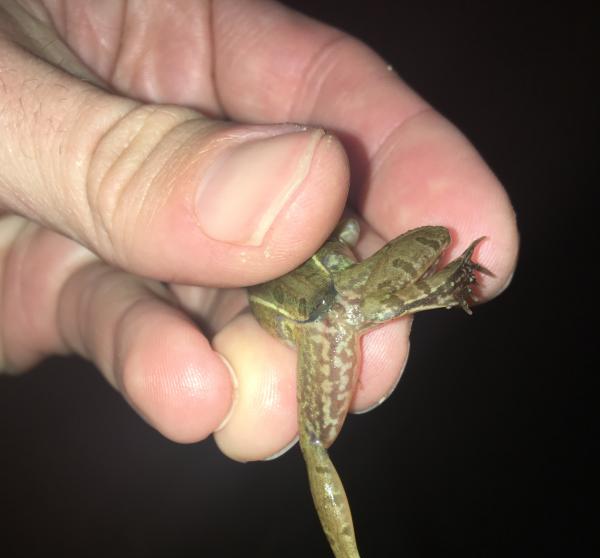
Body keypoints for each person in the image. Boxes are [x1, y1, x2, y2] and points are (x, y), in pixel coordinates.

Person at [0, 0, 518, 463]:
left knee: (312, 437)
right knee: (307, 423)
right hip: (311, 301)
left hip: (314, 302)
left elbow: (346, 238)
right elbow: (349, 233)